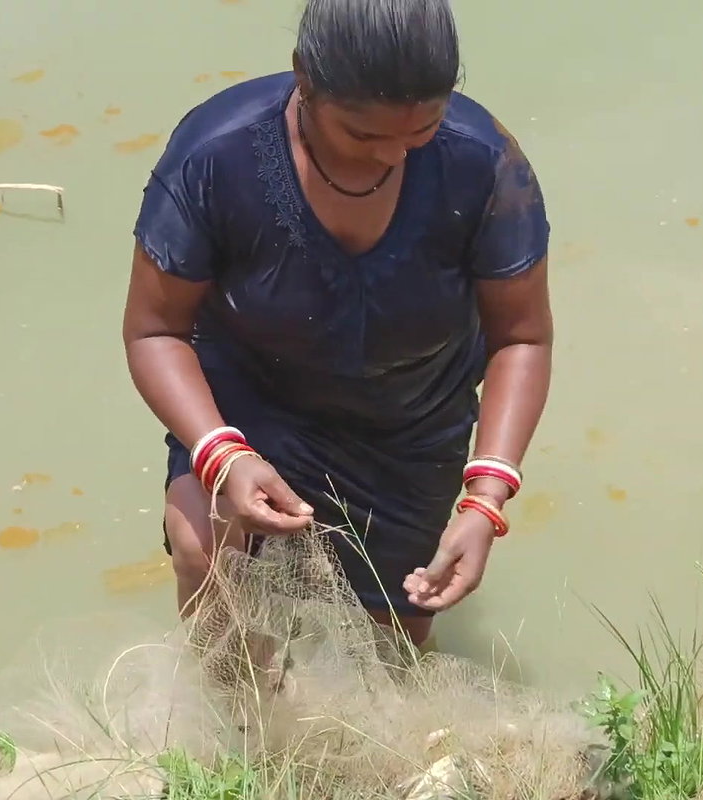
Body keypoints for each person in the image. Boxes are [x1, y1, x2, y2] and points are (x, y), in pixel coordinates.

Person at [121, 0, 553, 647]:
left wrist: (486, 496)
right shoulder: (216, 156)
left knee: (395, 634)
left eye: (423, 130)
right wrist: (222, 453)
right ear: (304, 78)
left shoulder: (484, 164)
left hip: (412, 422)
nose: (394, 155)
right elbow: (155, 330)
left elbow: (521, 337)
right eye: (363, 135)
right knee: (210, 557)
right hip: (254, 399)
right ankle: (230, 709)